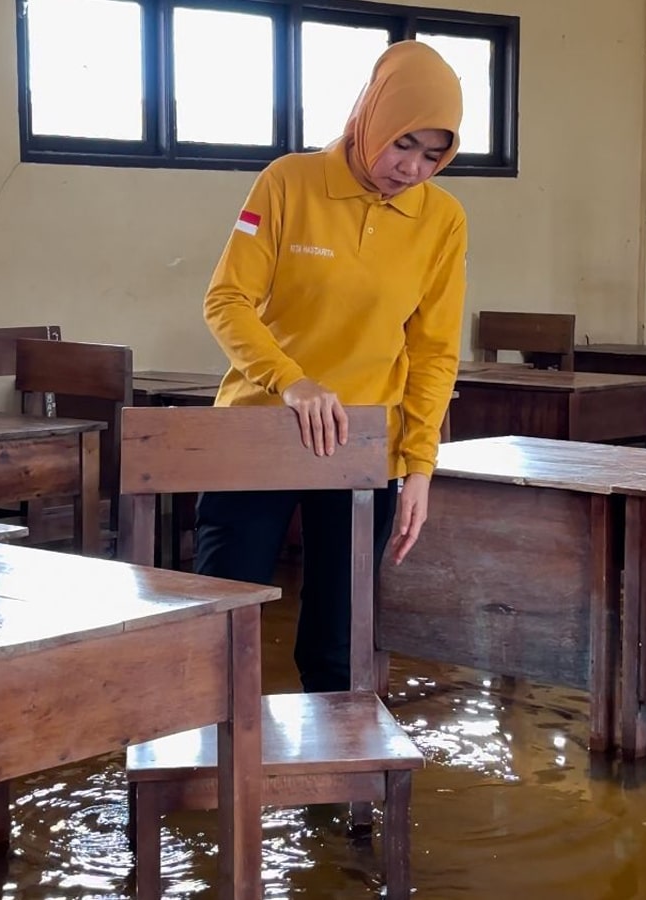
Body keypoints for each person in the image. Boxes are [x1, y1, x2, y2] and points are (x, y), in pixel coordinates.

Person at [195, 40, 467, 694]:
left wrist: (419, 466)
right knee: (215, 624)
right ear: (372, 115)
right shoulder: (290, 182)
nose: (412, 168)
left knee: (339, 643)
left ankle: (336, 787)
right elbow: (226, 300)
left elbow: (433, 352)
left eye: (434, 155)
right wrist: (293, 381)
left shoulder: (443, 221)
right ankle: (202, 769)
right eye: (404, 144)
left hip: (364, 440)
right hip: (261, 427)